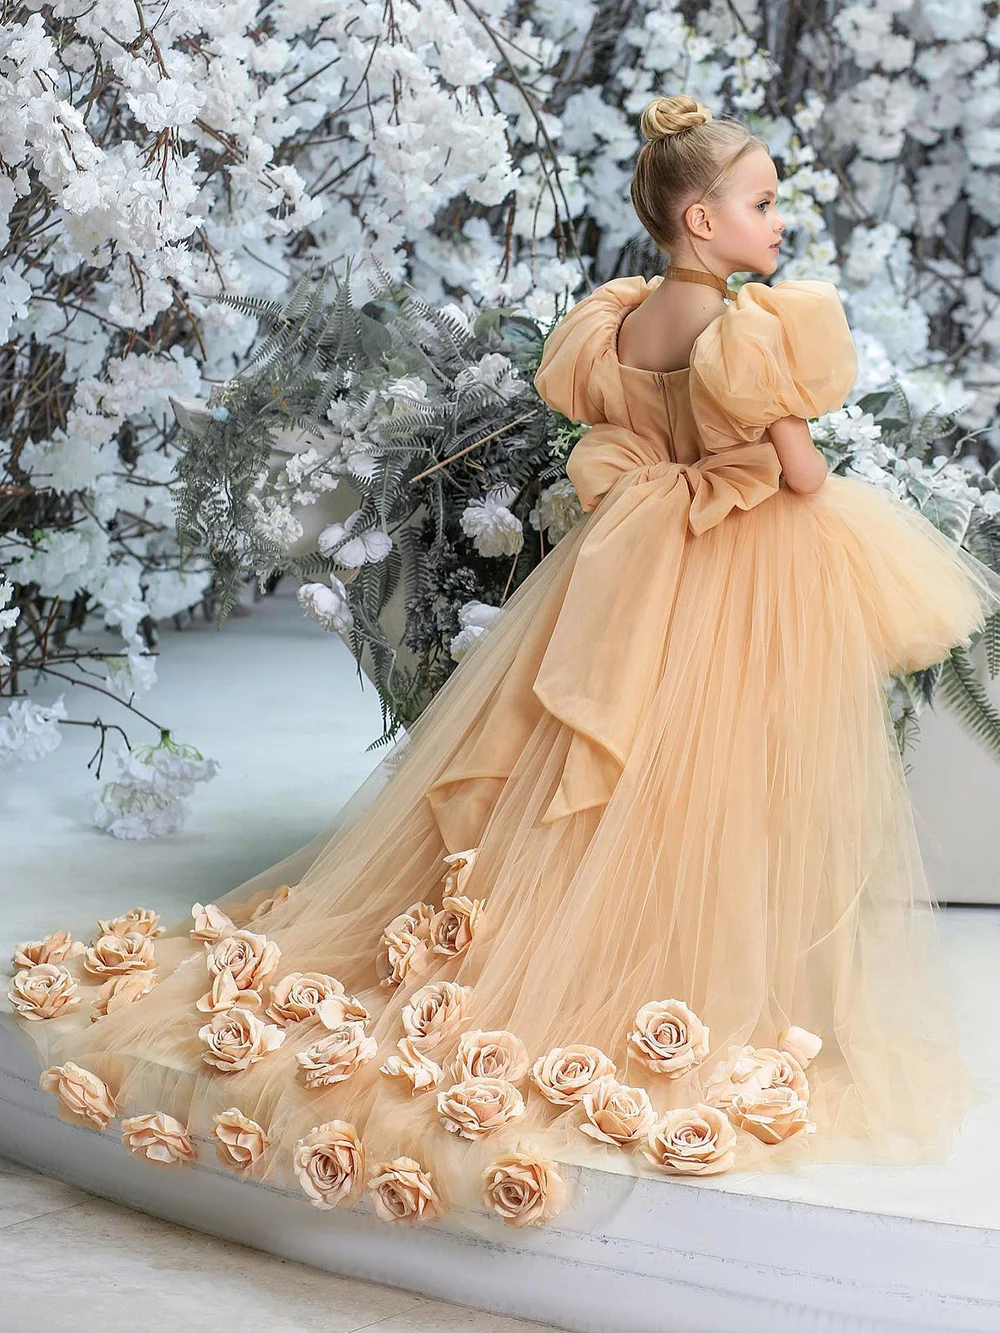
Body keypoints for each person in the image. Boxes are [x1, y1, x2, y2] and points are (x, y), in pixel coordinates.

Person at [9, 92, 1000, 1236]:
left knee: (584, 759)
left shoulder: (616, 323)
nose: (778, 223)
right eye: (762, 204)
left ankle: (557, 937)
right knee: (719, 775)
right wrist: (785, 435)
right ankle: (695, 972)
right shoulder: (752, 332)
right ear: (699, 217)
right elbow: (806, 480)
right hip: (729, 571)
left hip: (626, 567)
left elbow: (618, 416)